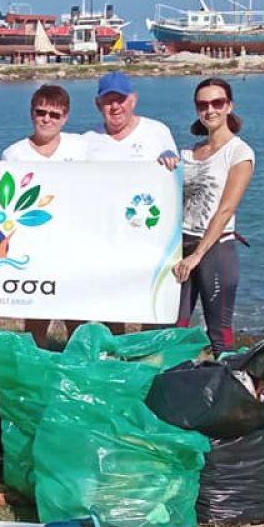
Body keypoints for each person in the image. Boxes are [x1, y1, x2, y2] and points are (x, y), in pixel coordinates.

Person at [83, 70, 179, 333]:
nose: (115, 107)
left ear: (133, 100)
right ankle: (115, 350)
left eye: (120, 99)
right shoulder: (87, 141)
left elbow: (174, 180)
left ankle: (149, 352)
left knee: (151, 298)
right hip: (107, 235)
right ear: (98, 104)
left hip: (148, 232)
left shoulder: (157, 131)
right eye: (108, 101)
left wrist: (171, 161)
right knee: (112, 299)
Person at [174, 77, 255, 355]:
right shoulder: (187, 153)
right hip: (181, 246)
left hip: (216, 249)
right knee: (175, 327)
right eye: (202, 104)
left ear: (229, 106)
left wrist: (197, 256)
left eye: (217, 103)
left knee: (219, 332)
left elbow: (226, 208)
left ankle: (231, 391)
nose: (210, 110)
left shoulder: (239, 152)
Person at [2, 84, 87, 347]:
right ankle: (36, 365)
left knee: (75, 312)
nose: (47, 119)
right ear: (31, 114)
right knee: (37, 313)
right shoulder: (12, 154)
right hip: (32, 244)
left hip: (73, 241)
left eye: (55, 114)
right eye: (41, 112)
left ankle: (77, 365)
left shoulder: (81, 146)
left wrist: (162, 160)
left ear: (66, 117)